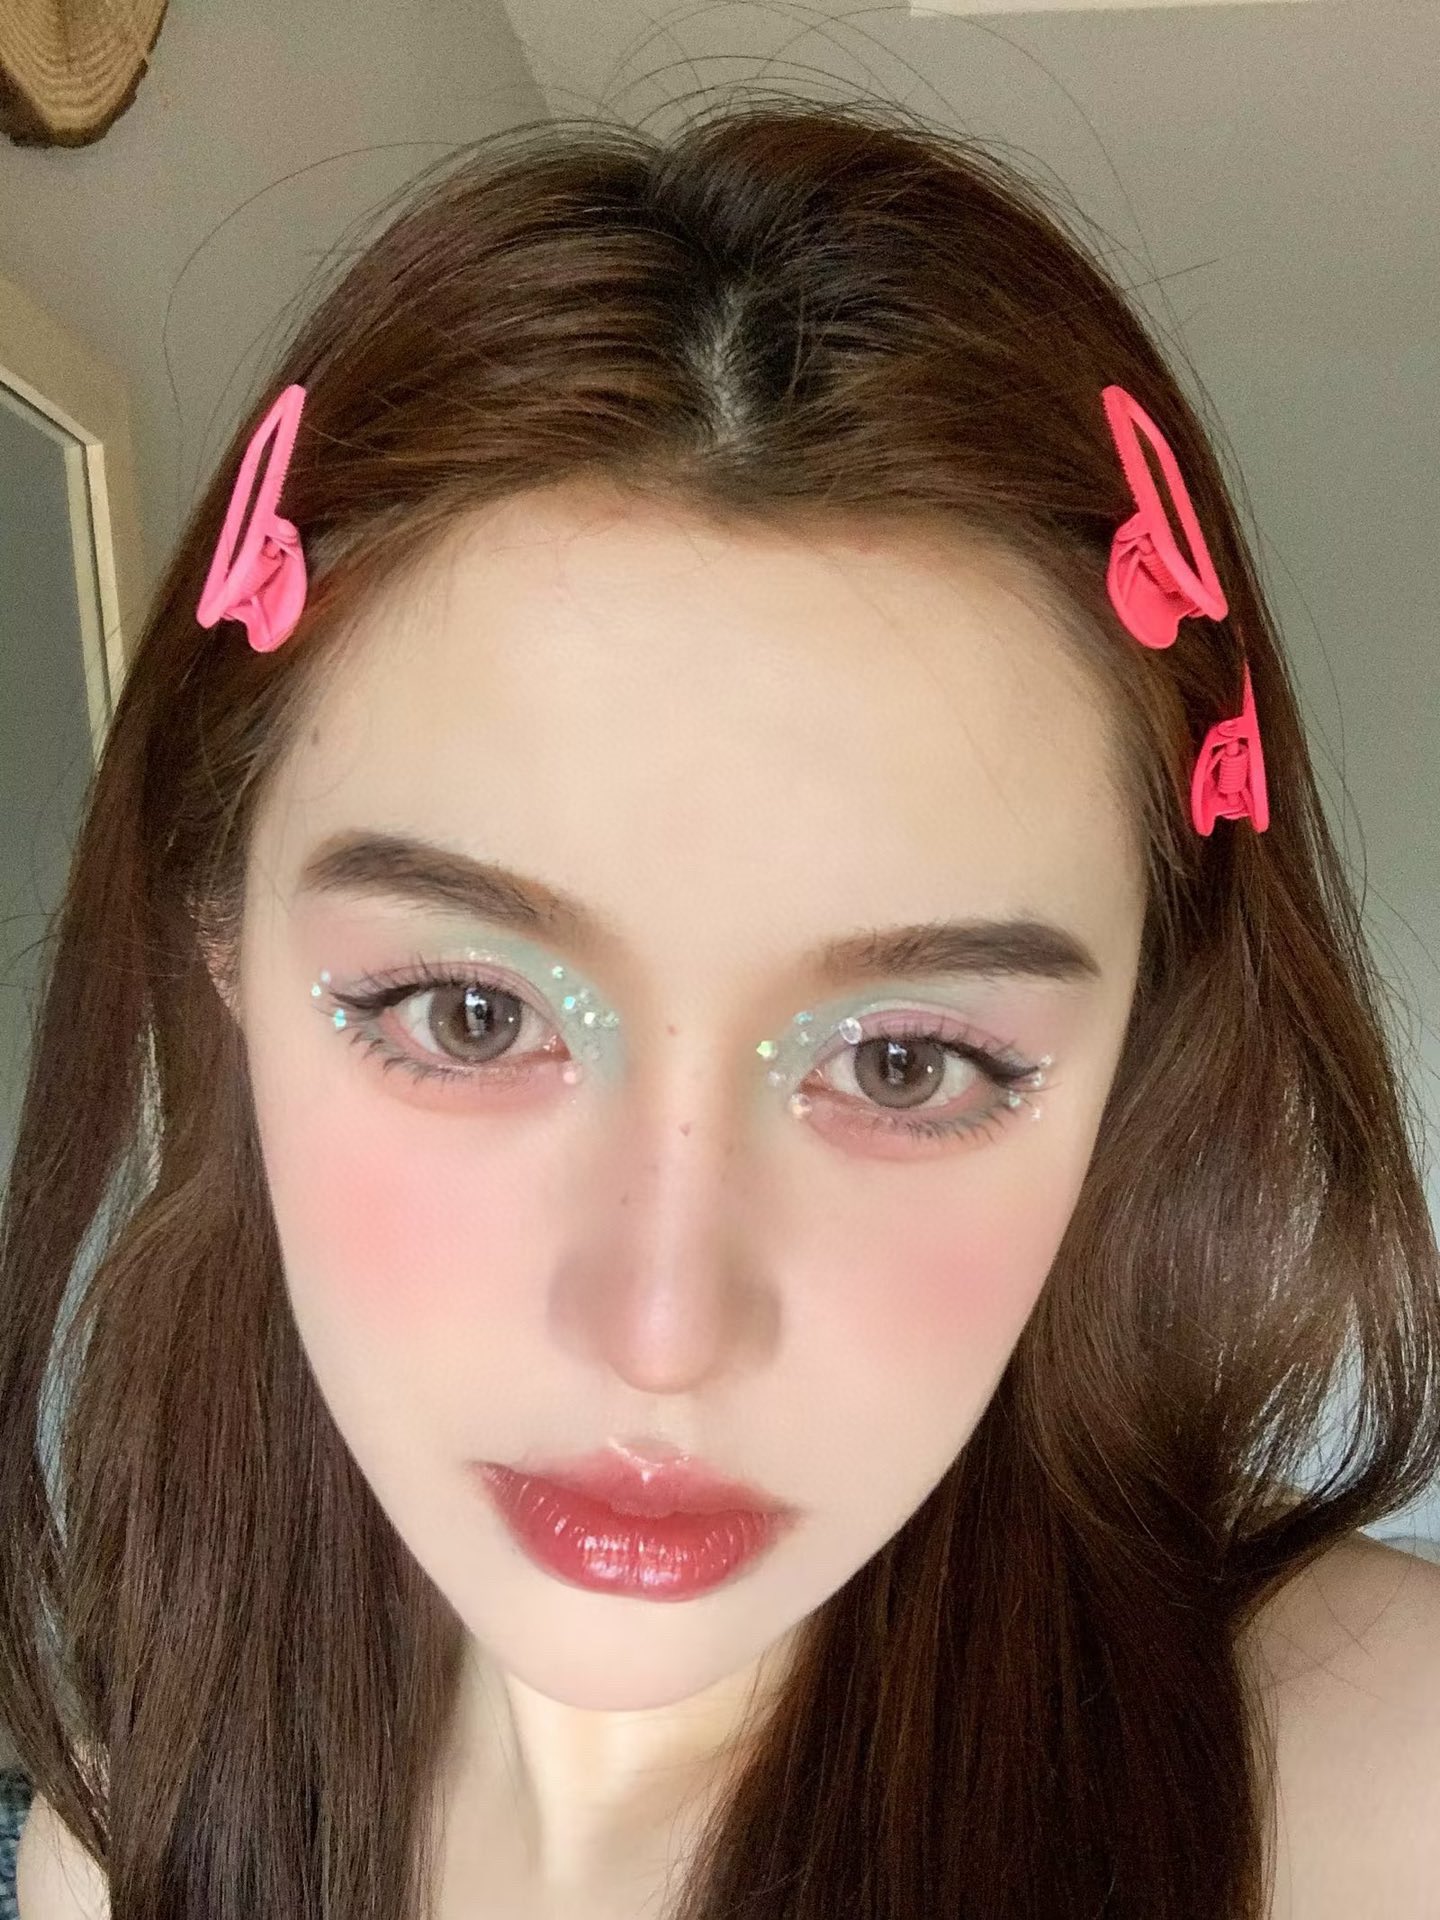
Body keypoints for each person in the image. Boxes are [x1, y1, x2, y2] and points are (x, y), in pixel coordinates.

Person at [2, 93, 1439, 1920]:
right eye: (466, 1014)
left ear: (1135, 1070)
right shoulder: (126, 1835)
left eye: (905, 1063)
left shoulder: (1381, 1797)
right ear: (224, 963)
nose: (663, 1331)